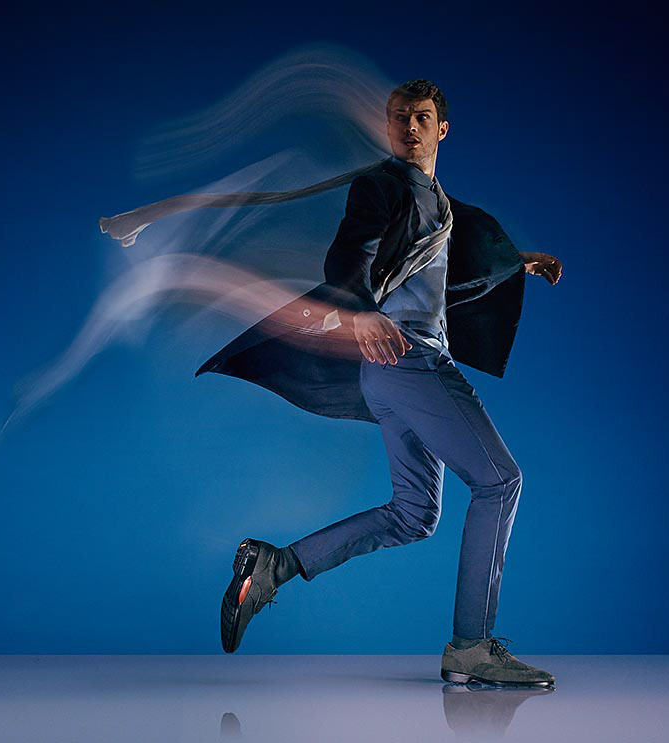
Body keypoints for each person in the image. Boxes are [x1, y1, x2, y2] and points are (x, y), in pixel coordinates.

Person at [207, 79, 563, 686]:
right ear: (388, 126)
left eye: (421, 117)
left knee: (414, 514)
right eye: (399, 117)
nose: (409, 127)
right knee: (500, 482)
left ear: (441, 129)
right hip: (408, 357)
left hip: (390, 374)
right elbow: (348, 256)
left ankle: (275, 565)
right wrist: (359, 313)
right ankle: (471, 647)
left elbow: (448, 262)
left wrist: (517, 261)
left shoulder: (435, 199)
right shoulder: (383, 185)